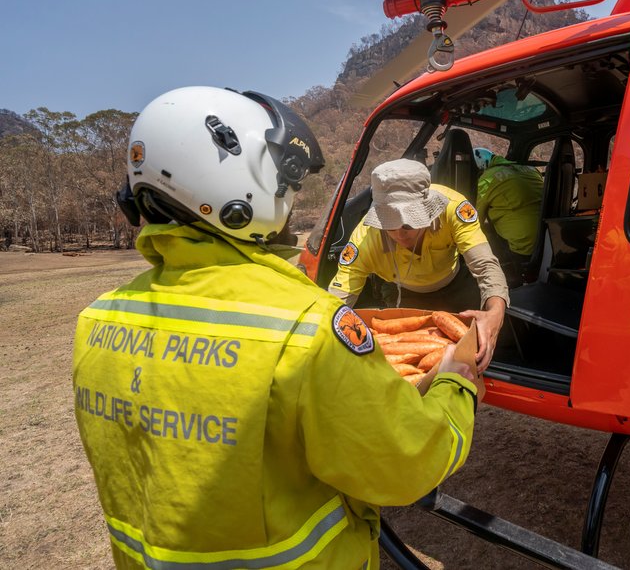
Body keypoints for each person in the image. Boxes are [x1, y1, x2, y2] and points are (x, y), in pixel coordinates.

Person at [73, 87, 479, 569]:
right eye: (283, 182)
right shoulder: (305, 330)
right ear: (243, 184)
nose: (287, 198)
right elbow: (407, 464)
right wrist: (456, 382)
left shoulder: (96, 319)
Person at [328, 159, 508, 371]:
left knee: (475, 351)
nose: (400, 234)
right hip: (404, 294)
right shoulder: (364, 240)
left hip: (456, 285)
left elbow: (485, 265)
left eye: (408, 223)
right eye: (389, 226)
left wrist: (495, 313)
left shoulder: (454, 208)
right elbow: (337, 300)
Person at [473, 147, 544, 285]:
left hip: (522, 246)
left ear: (480, 168)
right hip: (545, 240)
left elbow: (474, 220)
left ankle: (499, 283)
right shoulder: (531, 170)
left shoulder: (487, 178)